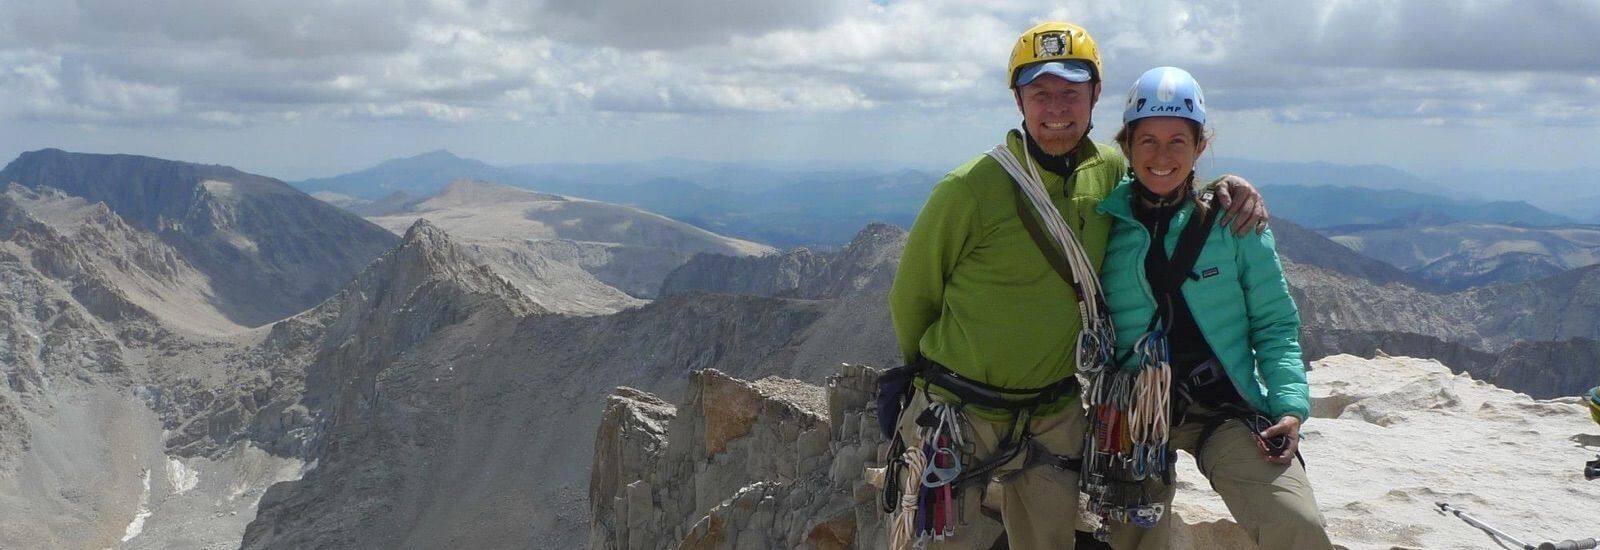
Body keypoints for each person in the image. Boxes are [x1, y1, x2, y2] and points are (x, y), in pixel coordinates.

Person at [884, 22, 1269, 550]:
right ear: (1018, 99)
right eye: (1041, 93)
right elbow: (914, 297)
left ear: (1095, 96)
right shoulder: (969, 188)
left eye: (1071, 91)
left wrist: (1228, 187)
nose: (1056, 107)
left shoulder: (1110, 171)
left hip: (1053, 411)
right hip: (959, 406)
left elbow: (1166, 184)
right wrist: (921, 374)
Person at [1094, 66, 1331, 548]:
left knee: (1296, 527)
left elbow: (1274, 325)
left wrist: (1289, 407)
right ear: (1126, 147)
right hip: (1136, 413)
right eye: (1148, 141)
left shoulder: (1235, 224)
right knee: (1130, 538)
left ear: (1200, 147)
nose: (1162, 156)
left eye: (1178, 141)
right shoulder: (1101, 223)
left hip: (1223, 408)